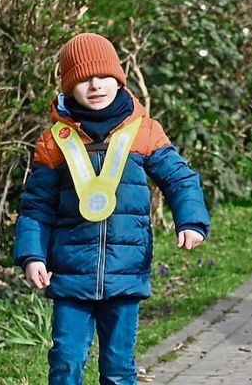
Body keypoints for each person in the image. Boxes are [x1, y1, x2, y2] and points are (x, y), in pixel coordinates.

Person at [15, 33, 211, 384]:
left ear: (118, 79)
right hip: (70, 274)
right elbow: (36, 208)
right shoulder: (54, 142)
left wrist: (191, 220)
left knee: (119, 369)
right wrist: (33, 256)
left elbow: (180, 179)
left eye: (104, 76)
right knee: (65, 363)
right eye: (83, 79)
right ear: (68, 86)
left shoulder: (144, 132)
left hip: (126, 271)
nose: (95, 85)